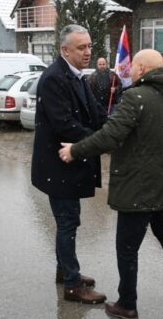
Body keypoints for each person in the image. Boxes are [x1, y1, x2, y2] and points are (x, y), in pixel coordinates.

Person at [58, 49, 163, 319]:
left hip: (139, 184)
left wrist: (75, 150)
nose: (130, 69)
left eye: (133, 65)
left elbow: (111, 136)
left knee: (126, 247)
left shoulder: (136, 96)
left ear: (143, 69)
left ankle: (127, 303)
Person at [31, 24, 108, 304]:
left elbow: (94, 112)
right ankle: (73, 286)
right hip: (58, 165)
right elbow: (65, 124)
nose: (88, 52)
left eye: (89, 46)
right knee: (67, 223)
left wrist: (113, 125)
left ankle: (65, 271)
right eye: (81, 47)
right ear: (65, 50)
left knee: (68, 222)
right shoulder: (54, 78)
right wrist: (101, 140)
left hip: (69, 164)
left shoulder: (76, 75)